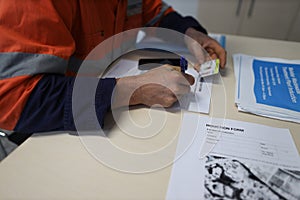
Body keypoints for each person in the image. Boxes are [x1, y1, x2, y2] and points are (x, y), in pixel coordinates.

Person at [0, 0, 226, 140]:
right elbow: (15, 101)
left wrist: (188, 33)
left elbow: (152, 10)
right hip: (36, 134)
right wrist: (133, 90)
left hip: (94, 101)